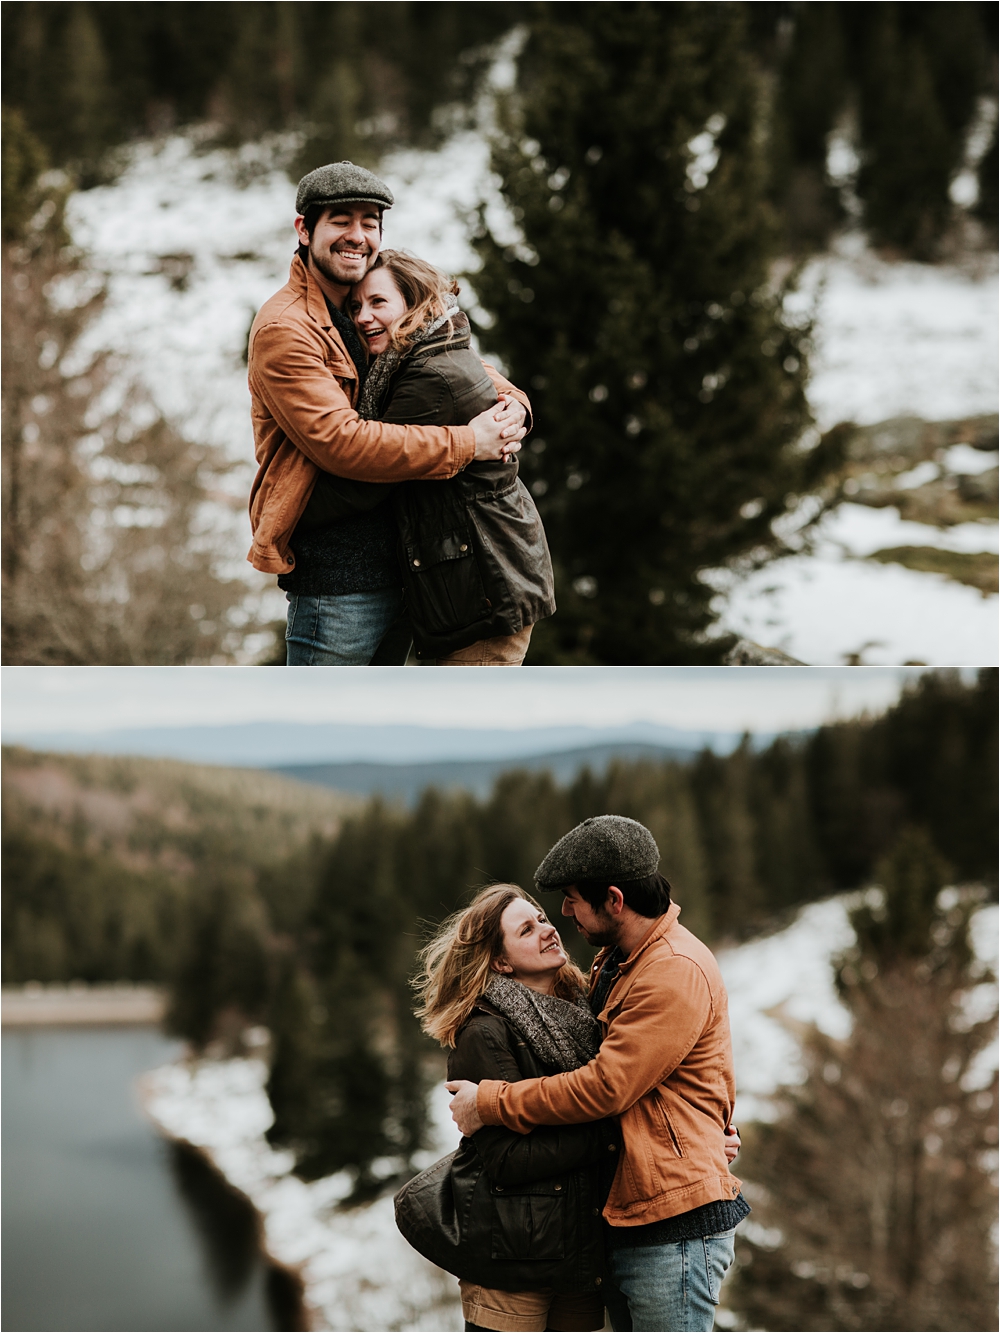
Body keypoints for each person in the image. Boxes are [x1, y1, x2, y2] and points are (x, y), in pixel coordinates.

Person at [447, 816, 748, 1333]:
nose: (561, 916)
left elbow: (607, 1086)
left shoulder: (671, 969)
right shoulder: (615, 964)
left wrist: (491, 1103)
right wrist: (703, 1134)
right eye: (532, 922)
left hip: (672, 1231)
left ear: (613, 900)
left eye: (569, 899)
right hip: (607, 1233)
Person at [246, 160, 531, 665]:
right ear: (304, 229)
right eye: (340, 220)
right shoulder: (286, 329)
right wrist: (469, 442)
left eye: (369, 222)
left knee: (375, 739)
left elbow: (441, 356)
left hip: (407, 571)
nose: (357, 235)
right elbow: (343, 442)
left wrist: (515, 407)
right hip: (338, 587)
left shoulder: (365, 308)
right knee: (318, 736)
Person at [297, 250, 555, 664]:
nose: (363, 317)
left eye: (379, 302)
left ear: (414, 304)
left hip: (481, 594)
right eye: (356, 306)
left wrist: (291, 514)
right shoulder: (426, 350)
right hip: (475, 581)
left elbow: (369, 477)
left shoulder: (428, 378)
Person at [409, 884, 613, 1332]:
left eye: (542, 918)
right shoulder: (484, 1033)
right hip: (513, 1262)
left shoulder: (585, 1013)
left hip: (579, 1258)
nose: (546, 930)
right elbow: (507, 1159)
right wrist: (611, 1135)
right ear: (501, 962)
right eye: (526, 929)